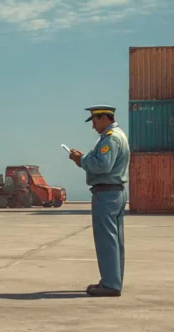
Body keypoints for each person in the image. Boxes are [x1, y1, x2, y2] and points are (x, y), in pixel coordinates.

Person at [68, 104, 130, 297]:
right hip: (115, 192)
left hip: (106, 194)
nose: (93, 125)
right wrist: (85, 158)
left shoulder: (110, 140)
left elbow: (103, 165)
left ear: (105, 118)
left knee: (106, 240)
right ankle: (113, 281)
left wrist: (81, 161)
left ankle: (110, 284)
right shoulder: (118, 136)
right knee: (115, 241)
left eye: (94, 121)